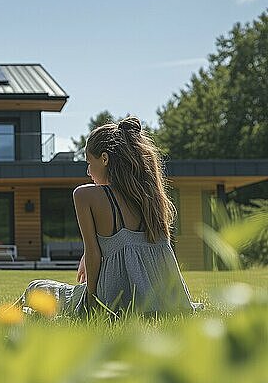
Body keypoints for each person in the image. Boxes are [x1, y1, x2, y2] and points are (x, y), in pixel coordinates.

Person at [17, 116, 202, 318]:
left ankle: (11, 318)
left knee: (36, 287)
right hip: (166, 303)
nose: (88, 171)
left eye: (89, 162)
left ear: (104, 159)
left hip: (113, 301)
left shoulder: (86, 195)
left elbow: (94, 254)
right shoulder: (152, 199)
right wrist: (88, 256)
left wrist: (90, 304)